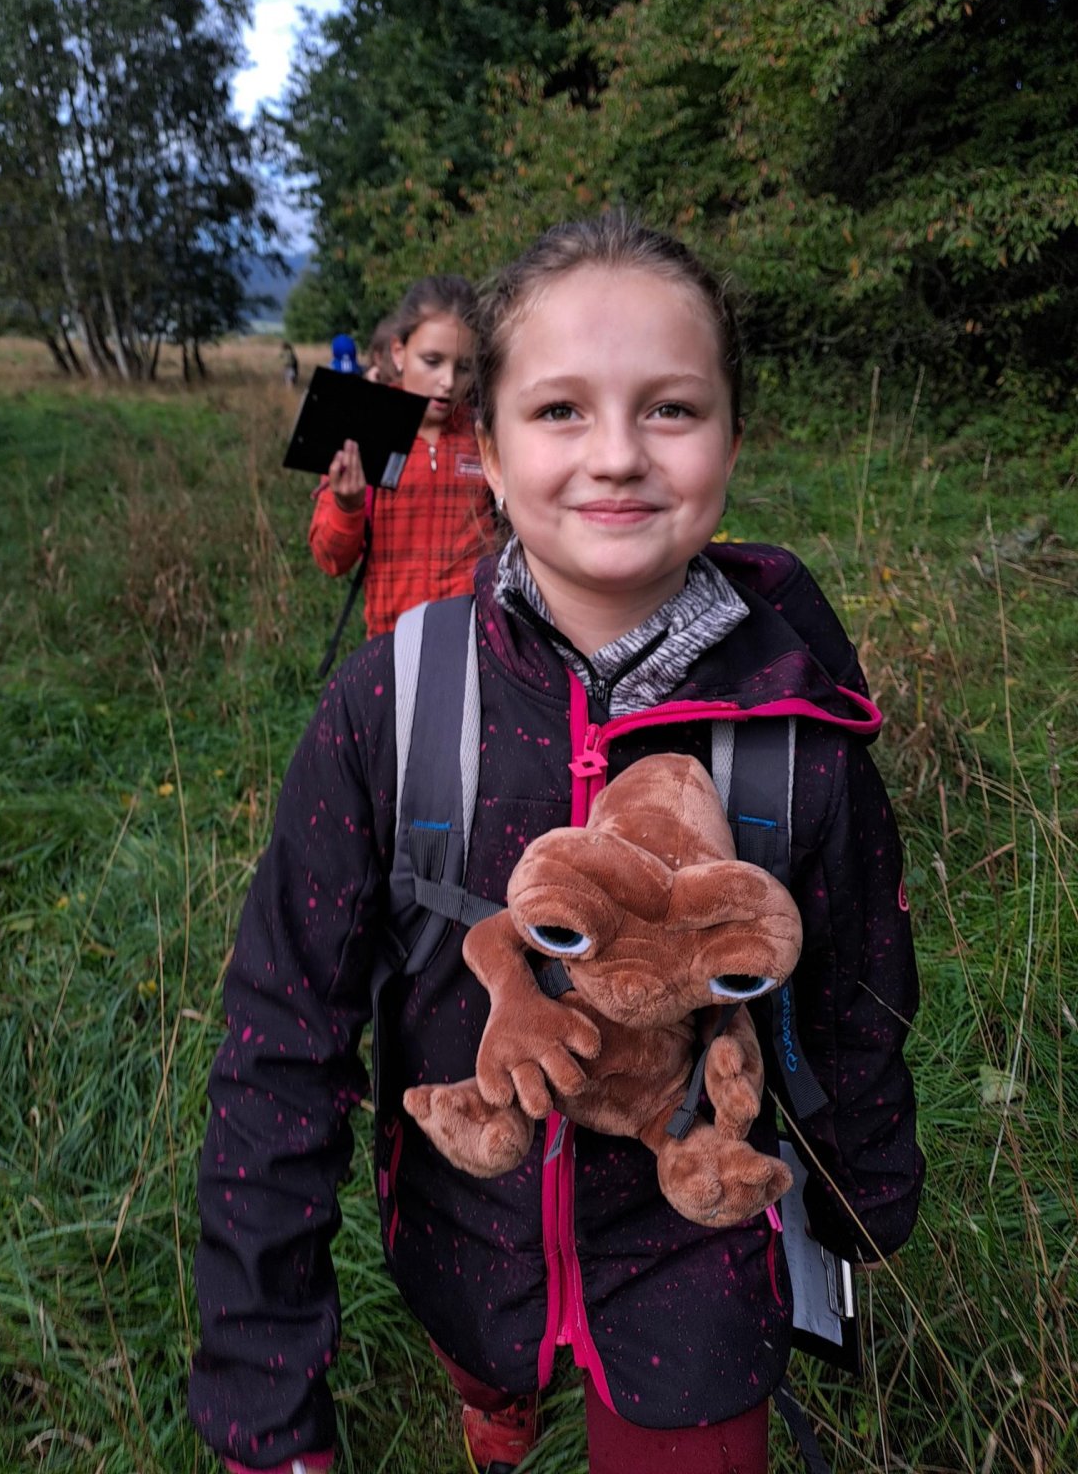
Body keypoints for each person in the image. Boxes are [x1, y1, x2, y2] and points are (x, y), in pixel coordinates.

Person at [189, 214, 924, 1474]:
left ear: (734, 438)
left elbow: (860, 988)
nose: (618, 453)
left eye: (672, 408)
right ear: (486, 445)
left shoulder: (800, 725)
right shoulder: (387, 706)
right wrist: (263, 1398)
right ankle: (501, 1400)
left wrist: (863, 1195)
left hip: (701, 1265)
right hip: (462, 1238)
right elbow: (281, 1039)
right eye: (561, 410)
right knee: (493, 1369)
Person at [308, 275, 494, 638]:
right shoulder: (361, 429)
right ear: (398, 352)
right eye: (432, 361)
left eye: (463, 367)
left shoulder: (486, 434)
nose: (448, 381)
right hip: (393, 644)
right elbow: (330, 560)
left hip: (476, 640)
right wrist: (347, 505)